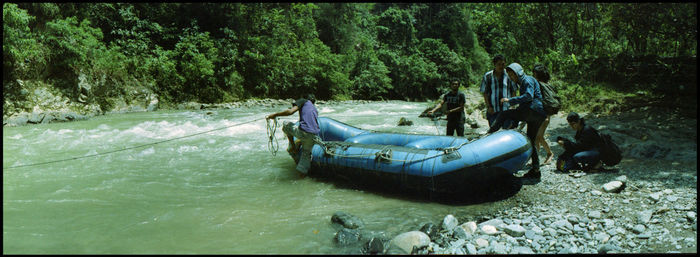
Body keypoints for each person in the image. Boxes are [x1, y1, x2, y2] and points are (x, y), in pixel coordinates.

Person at [485, 63, 547, 179]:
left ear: (518, 72)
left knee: (504, 114)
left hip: (532, 111)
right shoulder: (527, 81)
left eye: (512, 75)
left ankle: (489, 134)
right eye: (509, 76)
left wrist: (510, 100)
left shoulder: (527, 80)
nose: (511, 78)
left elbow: (529, 96)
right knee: (531, 141)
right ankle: (536, 170)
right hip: (539, 114)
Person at [266, 94, 322, 177]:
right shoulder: (314, 109)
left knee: (286, 124)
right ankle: (302, 175)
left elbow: (290, 112)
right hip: (313, 135)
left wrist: (275, 115)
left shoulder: (304, 101)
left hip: (304, 132)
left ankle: (293, 146)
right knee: (306, 154)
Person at [480, 54, 519, 129]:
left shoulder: (509, 75)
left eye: (503, 64)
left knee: (506, 133)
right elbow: (485, 93)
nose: (501, 66)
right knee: (494, 133)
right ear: (494, 64)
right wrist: (488, 107)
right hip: (493, 110)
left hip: (507, 110)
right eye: (499, 64)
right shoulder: (487, 76)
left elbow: (514, 91)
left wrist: (512, 105)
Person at [532, 64, 555, 164]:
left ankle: (550, 153)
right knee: (537, 137)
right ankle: (535, 159)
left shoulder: (539, 85)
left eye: (534, 73)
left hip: (543, 115)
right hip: (544, 114)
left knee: (539, 136)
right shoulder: (547, 85)